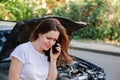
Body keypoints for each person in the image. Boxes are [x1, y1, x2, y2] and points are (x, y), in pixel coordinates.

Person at [8, 18, 73, 80]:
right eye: (48, 38)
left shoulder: (48, 53)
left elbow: (51, 79)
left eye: (54, 40)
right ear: (39, 33)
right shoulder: (23, 50)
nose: (51, 43)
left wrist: (53, 60)